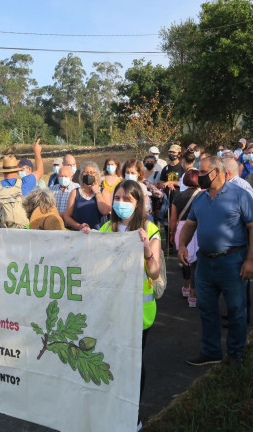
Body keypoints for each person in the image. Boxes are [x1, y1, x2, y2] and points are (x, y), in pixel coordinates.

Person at [90, 180, 161, 432]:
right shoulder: (108, 227)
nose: (120, 203)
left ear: (138, 202)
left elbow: (153, 272)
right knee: (110, 360)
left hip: (138, 313)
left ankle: (132, 413)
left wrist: (145, 250)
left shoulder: (149, 229)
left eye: (127, 199)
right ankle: (111, 409)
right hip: (110, 309)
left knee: (132, 364)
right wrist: (88, 239)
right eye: (117, 198)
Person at [177, 156, 253, 367]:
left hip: (232, 261)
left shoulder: (240, 195)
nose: (199, 177)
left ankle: (235, 353)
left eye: (203, 172)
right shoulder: (200, 198)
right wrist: (182, 245)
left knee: (235, 310)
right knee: (206, 308)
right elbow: (189, 225)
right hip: (205, 263)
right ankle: (211, 351)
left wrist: (251, 260)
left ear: (217, 172)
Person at [0, 139, 43, 228]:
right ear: (17, 170)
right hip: (22, 232)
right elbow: (40, 171)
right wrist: (37, 152)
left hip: (3, 232)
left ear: (4, 172)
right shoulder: (25, 183)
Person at [169, 169, 200, 307]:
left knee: (185, 258)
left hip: (181, 228)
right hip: (197, 228)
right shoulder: (203, 195)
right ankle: (193, 294)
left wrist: (172, 233)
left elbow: (173, 219)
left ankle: (186, 286)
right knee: (196, 262)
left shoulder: (178, 196)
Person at [63, 162, 111, 231]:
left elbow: (105, 211)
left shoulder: (104, 192)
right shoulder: (75, 192)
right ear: (82, 175)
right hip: (79, 234)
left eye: (92, 172)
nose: (89, 174)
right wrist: (79, 226)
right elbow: (67, 216)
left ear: (96, 175)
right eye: (86, 172)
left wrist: (97, 192)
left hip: (99, 234)